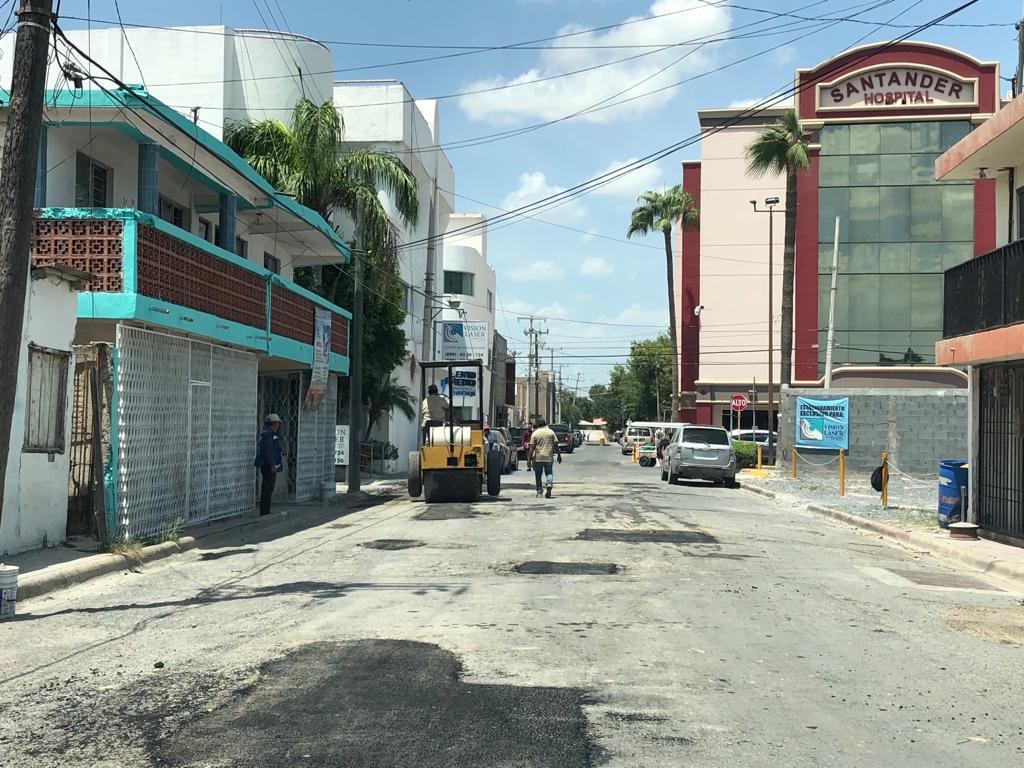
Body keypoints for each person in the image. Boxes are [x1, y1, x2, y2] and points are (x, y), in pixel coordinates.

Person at [254, 413, 284, 516]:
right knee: (267, 488)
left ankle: (266, 510)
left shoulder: (269, 435)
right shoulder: (268, 436)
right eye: (277, 424)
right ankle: (265, 511)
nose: (278, 426)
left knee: (268, 488)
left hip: (269, 465)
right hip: (268, 466)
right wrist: (272, 465)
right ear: (274, 424)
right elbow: (268, 452)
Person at [528, 417, 561, 498]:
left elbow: (531, 447)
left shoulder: (535, 433)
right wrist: (559, 455)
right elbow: (556, 445)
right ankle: (549, 484)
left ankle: (539, 491)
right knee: (549, 473)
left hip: (538, 457)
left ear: (538, 424)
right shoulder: (551, 432)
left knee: (538, 475)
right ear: (545, 424)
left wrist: (529, 459)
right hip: (548, 457)